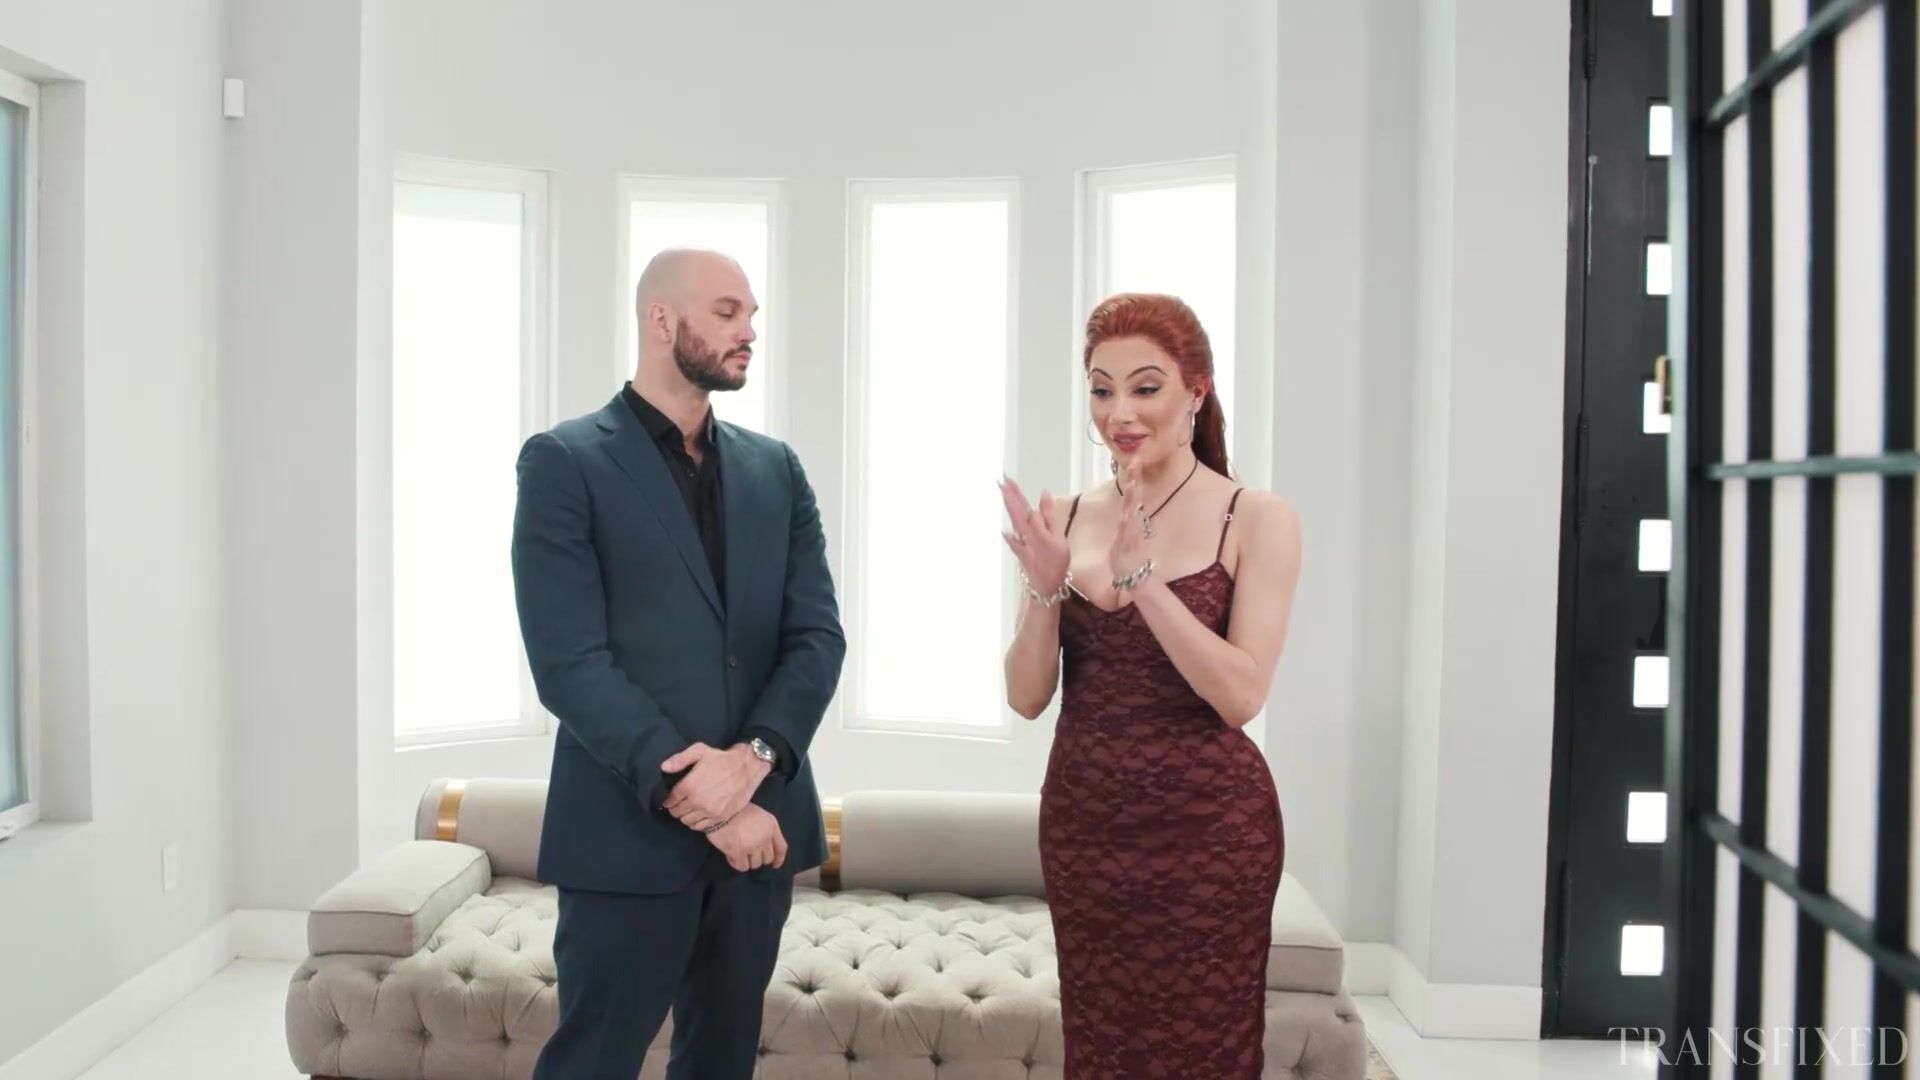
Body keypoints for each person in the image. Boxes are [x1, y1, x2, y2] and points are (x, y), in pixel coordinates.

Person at [511, 248, 844, 1079]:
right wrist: (706, 800)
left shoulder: (777, 469)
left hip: (761, 838)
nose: (749, 330)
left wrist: (753, 761)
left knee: (721, 1064)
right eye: (728, 312)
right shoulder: (563, 462)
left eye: (752, 315)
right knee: (592, 1062)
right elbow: (569, 663)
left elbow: (817, 637)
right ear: (662, 319)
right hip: (626, 835)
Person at [999, 292, 1302, 1078]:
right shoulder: (1066, 514)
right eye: (1101, 390)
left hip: (1211, 834)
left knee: (1204, 1049)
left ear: (1196, 391)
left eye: (1145, 387)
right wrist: (1045, 589)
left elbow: (1240, 697)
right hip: (1085, 827)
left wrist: (1144, 583)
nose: (1119, 412)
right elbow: (1026, 697)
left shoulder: (1254, 516)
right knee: (1101, 1048)